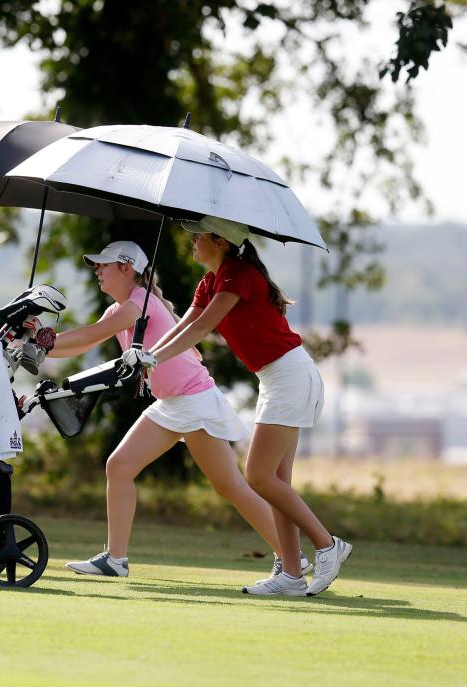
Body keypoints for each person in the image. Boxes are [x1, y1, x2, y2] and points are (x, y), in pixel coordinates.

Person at [48, 240, 303, 581]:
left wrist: (43, 342)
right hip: (171, 403)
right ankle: (115, 559)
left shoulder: (139, 303)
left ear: (127, 268)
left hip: (193, 399)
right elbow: (85, 341)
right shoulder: (121, 309)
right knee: (120, 466)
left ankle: (293, 559)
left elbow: (89, 335)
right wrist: (37, 347)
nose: (97, 270)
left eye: (103, 264)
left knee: (230, 486)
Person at [148, 217, 352, 597]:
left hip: (290, 377)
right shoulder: (211, 281)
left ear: (220, 242)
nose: (193, 242)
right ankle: (291, 573)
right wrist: (147, 353)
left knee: (259, 477)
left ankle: (327, 545)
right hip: (277, 379)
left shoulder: (237, 276)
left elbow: (201, 329)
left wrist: (151, 360)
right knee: (276, 483)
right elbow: (183, 325)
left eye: (199, 236)